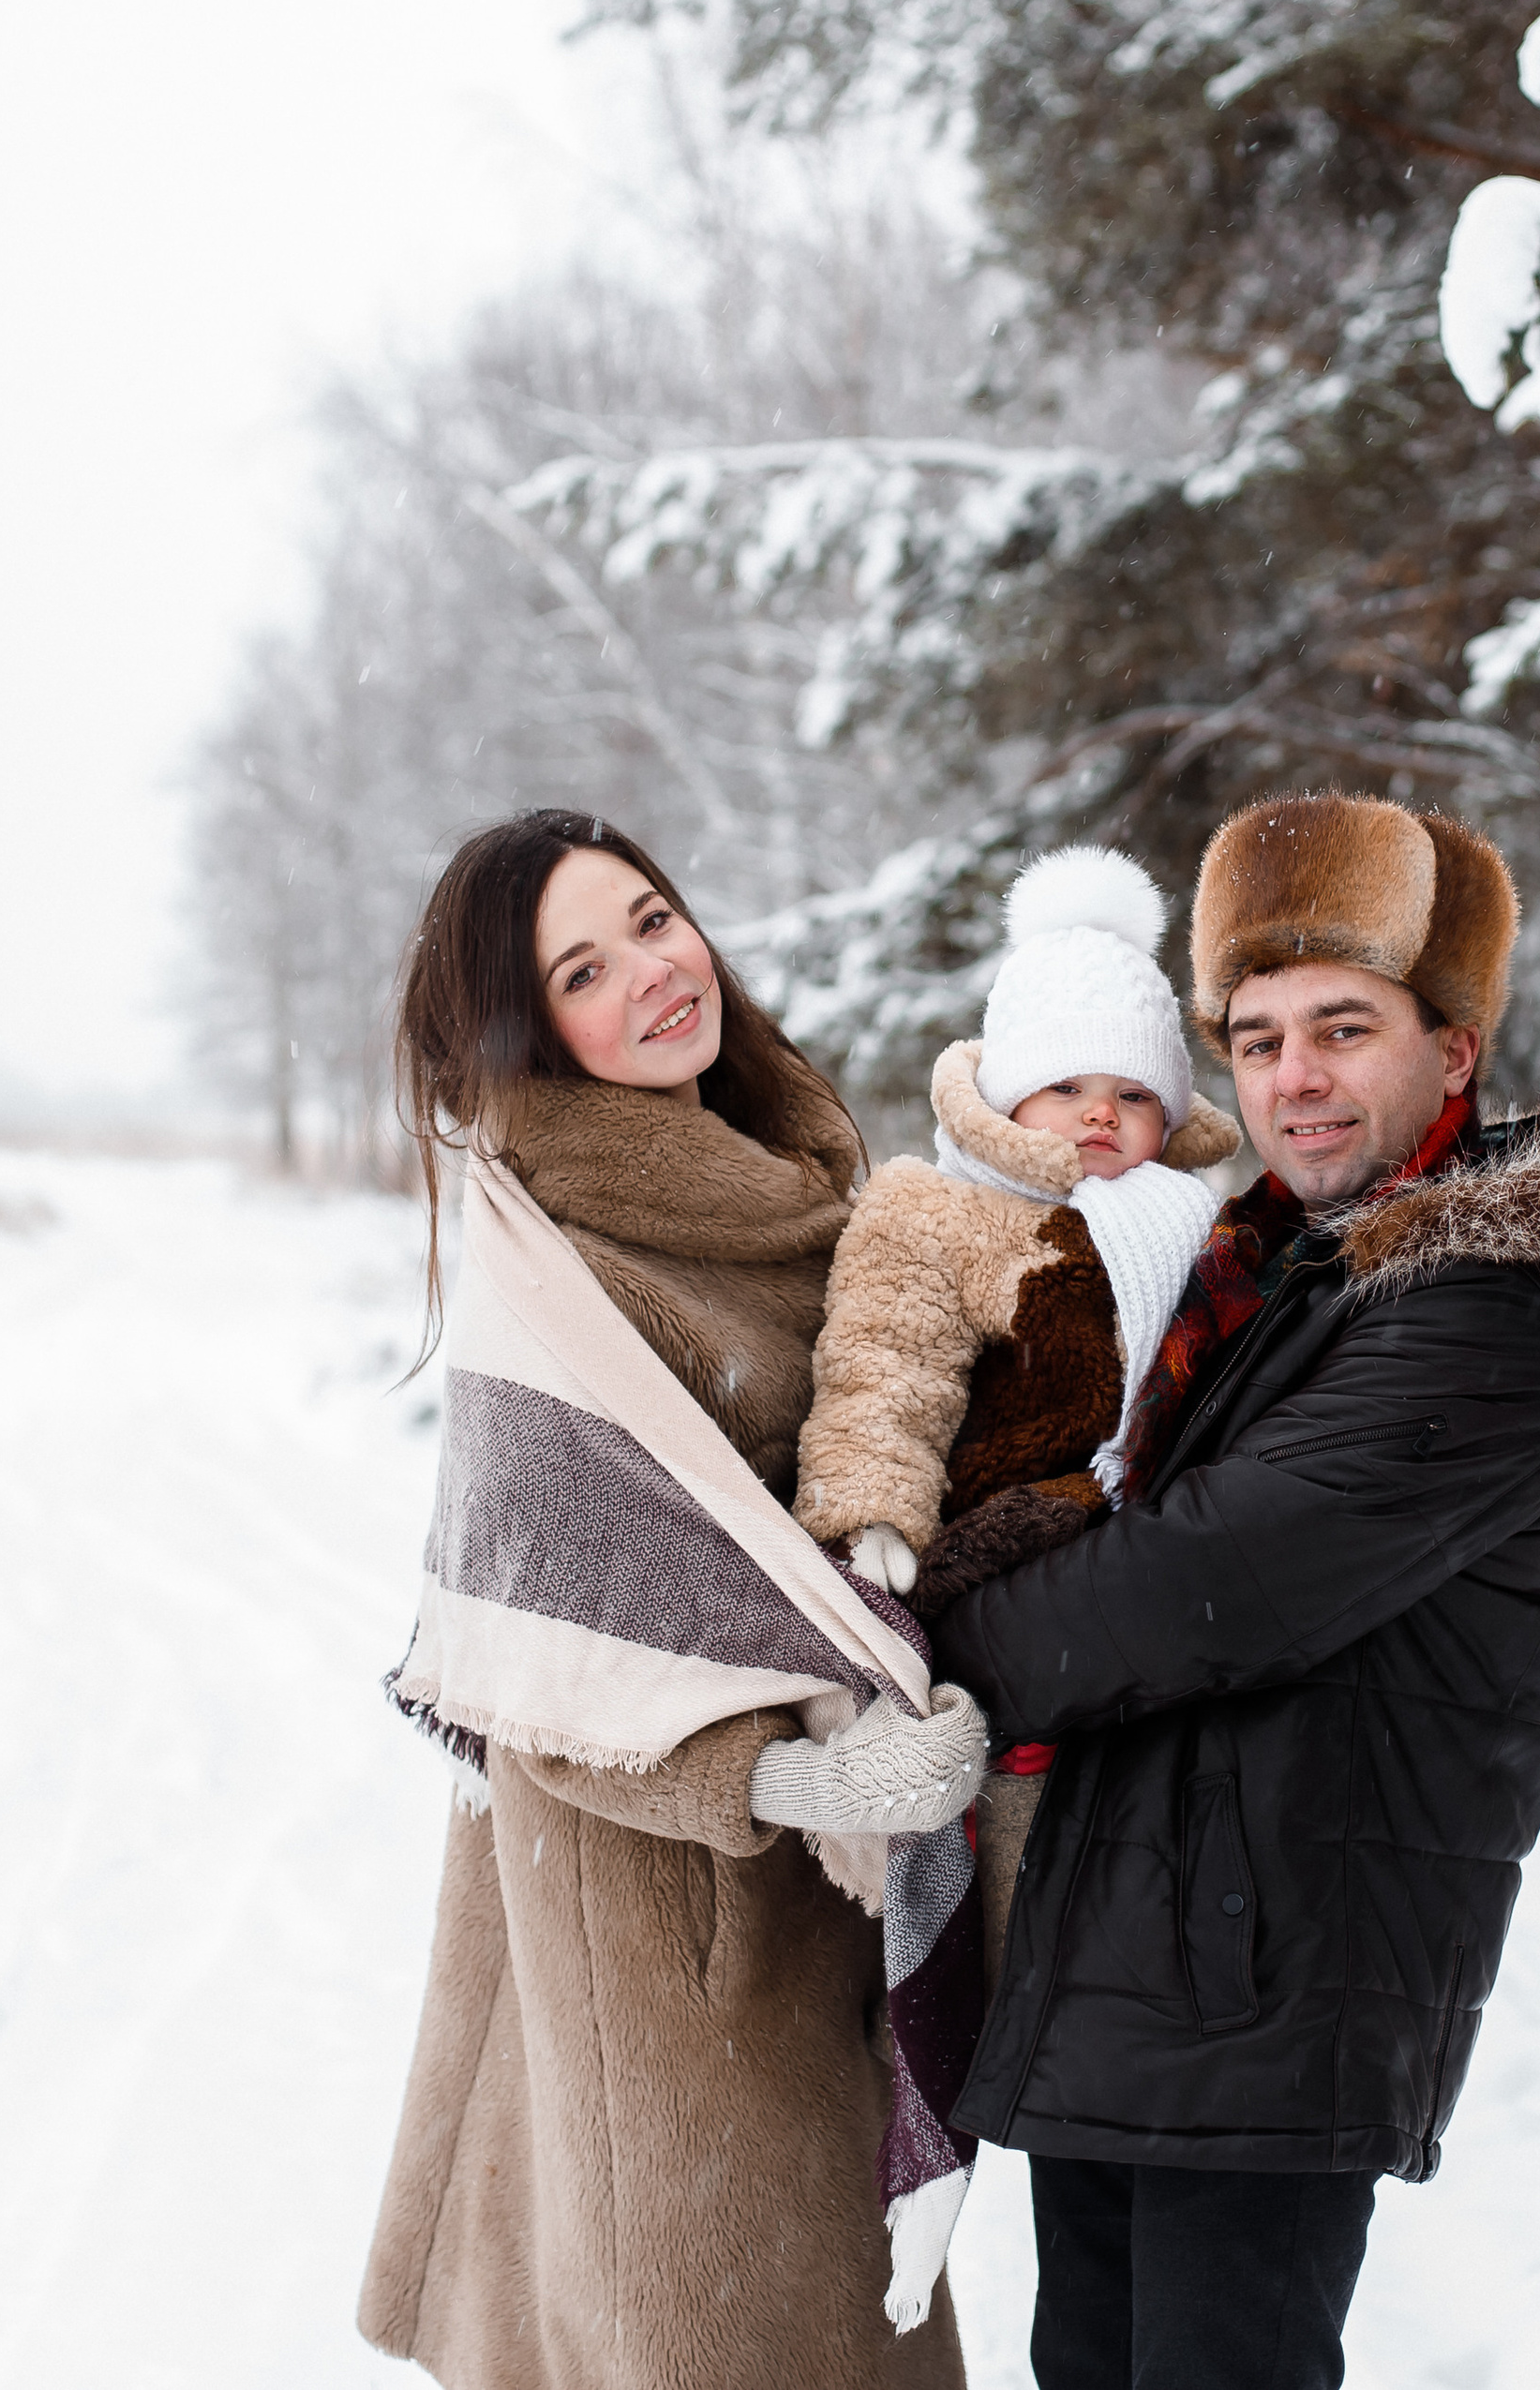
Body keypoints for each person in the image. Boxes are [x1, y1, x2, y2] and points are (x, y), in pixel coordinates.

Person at [927, 792, 1540, 2390]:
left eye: (1343, 1028)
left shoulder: (1491, 1305)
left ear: (1453, 1052)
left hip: (1271, 1979)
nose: (1295, 1077)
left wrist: (921, 1642)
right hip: (1147, 1964)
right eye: (1258, 1039)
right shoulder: (1276, 1270)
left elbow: (1194, 1586)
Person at [357, 810, 979, 2390]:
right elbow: (532, 1660)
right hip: (668, 1951)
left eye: (651, 918)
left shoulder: (791, 1184)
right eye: (584, 966)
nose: (652, 970)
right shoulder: (563, 1268)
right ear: (529, 1032)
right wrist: (787, 1773)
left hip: (823, 1905)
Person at [791, 847, 1239, 1982]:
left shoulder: (1191, 1219)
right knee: (1022, 1814)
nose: (1102, 1113)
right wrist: (873, 1511)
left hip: (1151, 1562)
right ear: (1004, 1092)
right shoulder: (939, 1214)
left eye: (1135, 1092)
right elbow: (884, 1371)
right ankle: (990, 1956)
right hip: (1003, 1550)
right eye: (1069, 1085)